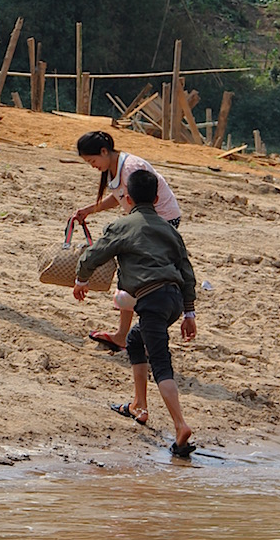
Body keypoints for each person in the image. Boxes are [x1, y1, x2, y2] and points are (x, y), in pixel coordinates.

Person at [73, 169, 198, 457]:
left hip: (151, 299)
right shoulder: (170, 230)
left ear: (127, 198)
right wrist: (189, 314)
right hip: (173, 301)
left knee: (161, 363)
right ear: (156, 199)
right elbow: (187, 272)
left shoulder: (123, 225)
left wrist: (81, 279)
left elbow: (95, 254)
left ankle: (181, 426)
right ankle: (138, 406)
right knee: (134, 339)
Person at [74, 130, 183, 350]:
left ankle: (136, 333)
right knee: (130, 271)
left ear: (104, 152)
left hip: (160, 221)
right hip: (145, 221)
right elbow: (119, 198)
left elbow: (144, 200)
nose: (93, 166)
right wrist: (89, 210)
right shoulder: (115, 168)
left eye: (92, 161)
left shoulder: (132, 167)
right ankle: (124, 334)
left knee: (139, 274)